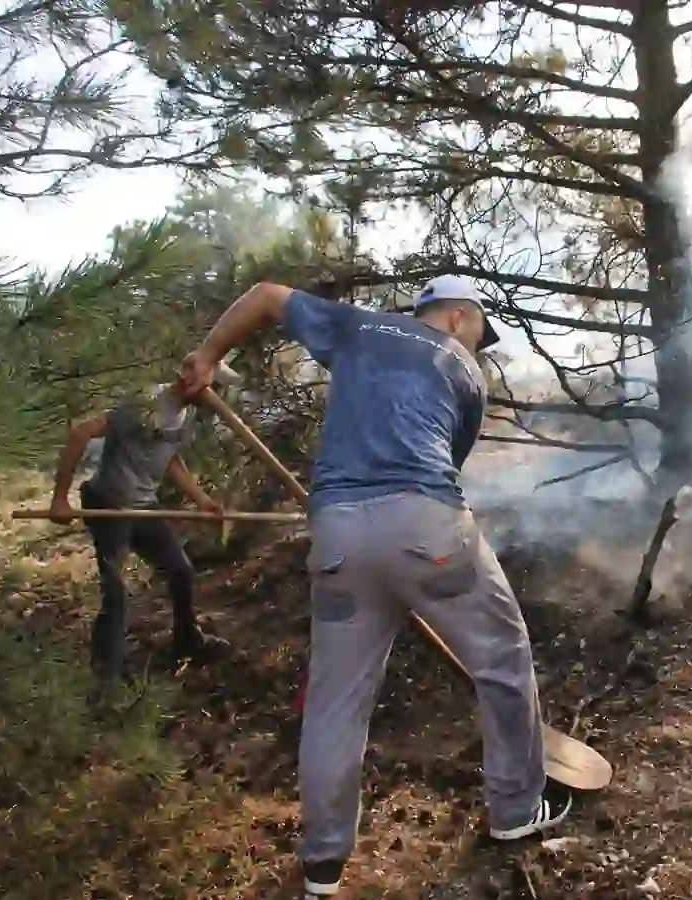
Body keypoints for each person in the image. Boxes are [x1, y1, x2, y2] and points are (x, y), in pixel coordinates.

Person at [175, 275, 570, 900]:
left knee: (338, 701)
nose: (477, 343)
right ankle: (516, 808)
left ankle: (323, 867)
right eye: (478, 331)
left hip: (336, 535)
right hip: (426, 527)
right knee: (502, 658)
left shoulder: (357, 327)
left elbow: (266, 295)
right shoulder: (468, 374)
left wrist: (207, 358)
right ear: (459, 317)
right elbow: (444, 466)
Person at [48, 366, 240, 681]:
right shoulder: (146, 403)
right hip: (108, 504)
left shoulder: (188, 415)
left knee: (180, 570)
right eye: (215, 386)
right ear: (190, 380)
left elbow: (170, 458)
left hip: (144, 507)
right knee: (117, 590)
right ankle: (107, 676)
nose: (218, 395)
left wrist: (202, 499)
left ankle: (187, 641)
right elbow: (81, 432)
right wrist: (59, 499)